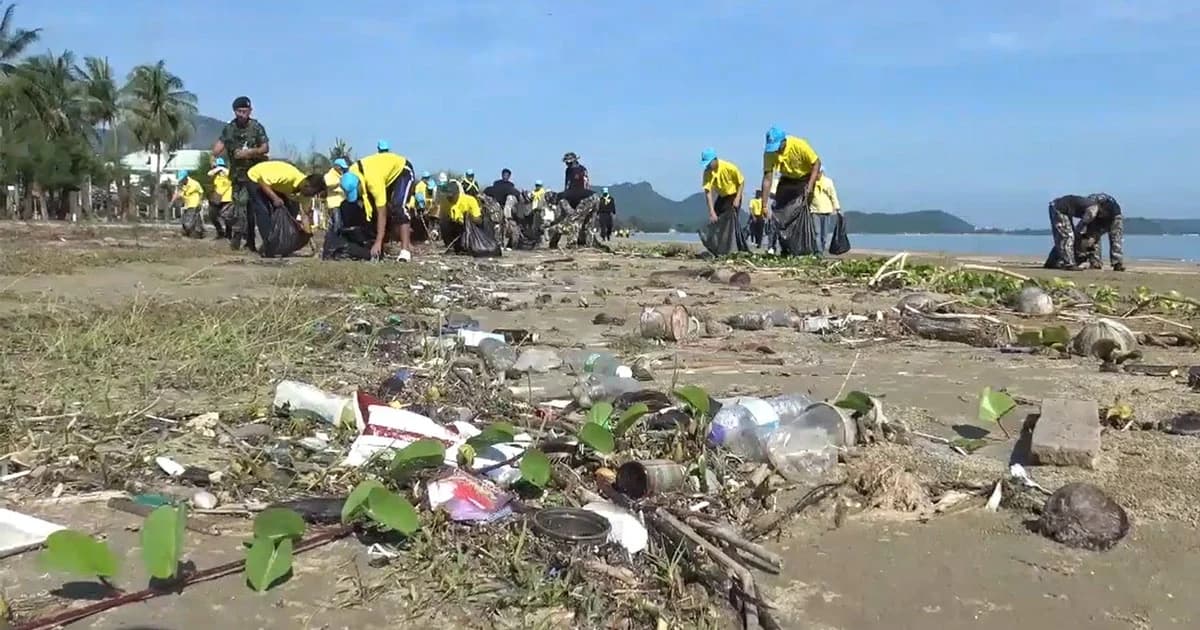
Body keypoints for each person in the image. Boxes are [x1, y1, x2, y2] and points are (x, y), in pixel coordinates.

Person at [212, 96, 269, 251]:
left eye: (245, 111)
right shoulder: (230, 128)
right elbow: (220, 144)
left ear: (250, 111)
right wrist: (214, 154)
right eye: (239, 111)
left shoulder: (256, 127)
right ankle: (241, 236)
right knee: (240, 206)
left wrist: (250, 152)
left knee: (252, 209)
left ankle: (250, 239)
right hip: (237, 176)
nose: (242, 114)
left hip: (254, 175)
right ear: (234, 111)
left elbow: (265, 148)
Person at [338, 151, 418, 261]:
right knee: (373, 211)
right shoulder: (351, 173)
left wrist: (378, 241)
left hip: (402, 171)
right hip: (385, 176)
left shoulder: (373, 181)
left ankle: (405, 250)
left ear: (359, 184)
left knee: (399, 207)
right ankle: (386, 244)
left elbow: (382, 212)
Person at [759, 126, 821, 255]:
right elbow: (767, 179)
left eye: (777, 147)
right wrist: (764, 205)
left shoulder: (799, 145)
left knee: (801, 212)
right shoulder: (769, 153)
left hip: (804, 178)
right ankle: (785, 247)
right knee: (779, 212)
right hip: (786, 179)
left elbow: (816, 163)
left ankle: (808, 247)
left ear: (783, 141)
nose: (776, 151)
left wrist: (809, 186)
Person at [246, 160, 325, 256]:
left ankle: (281, 243)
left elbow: (305, 216)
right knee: (263, 210)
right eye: (311, 193)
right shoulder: (288, 176)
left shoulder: (306, 193)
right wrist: (275, 198)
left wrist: (307, 236)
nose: (311, 196)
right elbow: (262, 182)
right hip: (256, 178)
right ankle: (269, 246)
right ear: (307, 185)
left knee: (290, 212)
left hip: (276, 186)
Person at [1047, 193, 1125, 271]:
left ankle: (1111, 262)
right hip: (1063, 209)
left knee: (1114, 237)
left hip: (1113, 215)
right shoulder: (1091, 207)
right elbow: (1081, 229)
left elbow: (1081, 228)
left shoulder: (1093, 209)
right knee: (1068, 237)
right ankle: (1094, 262)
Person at [700, 148, 744, 223]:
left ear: (715, 159)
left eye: (708, 164)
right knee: (715, 216)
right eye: (706, 165)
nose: (707, 167)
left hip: (733, 195)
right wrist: (711, 211)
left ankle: (732, 234)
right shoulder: (707, 172)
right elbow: (708, 192)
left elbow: (741, 182)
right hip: (722, 196)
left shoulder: (729, 167)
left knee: (730, 217)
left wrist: (737, 198)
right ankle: (715, 233)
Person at [437, 179, 483, 250]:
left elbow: (479, 221)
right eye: (447, 196)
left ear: (457, 193)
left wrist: (468, 217)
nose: (449, 198)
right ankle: (450, 245)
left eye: (451, 196)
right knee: (443, 222)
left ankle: (467, 245)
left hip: (468, 229)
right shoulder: (446, 203)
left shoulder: (470, 200)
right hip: (455, 229)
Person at [483, 168, 520, 247]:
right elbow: (487, 192)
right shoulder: (497, 184)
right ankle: (497, 243)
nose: (505, 176)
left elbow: (515, 195)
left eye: (507, 175)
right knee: (497, 225)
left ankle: (506, 244)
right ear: (502, 175)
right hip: (496, 207)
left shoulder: (510, 186)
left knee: (508, 225)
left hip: (506, 208)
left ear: (509, 176)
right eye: (504, 174)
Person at [809, 172, 841, 253]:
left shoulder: (828, 182)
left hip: (826, 211)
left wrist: (837, 208)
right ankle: (818, 252)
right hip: (814, 211)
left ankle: (822, 250)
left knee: (824, 235)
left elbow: (833, 195)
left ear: (821, 173)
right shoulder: (811, 182)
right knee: (817, 233)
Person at [173, 170, 205, 236]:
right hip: (187, 204)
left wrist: (200, 202)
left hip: (194, 203)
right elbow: (178, 194)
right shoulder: (181, 185)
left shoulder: (194, 183)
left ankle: (194, 232)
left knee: (190, 219)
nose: (181, 181)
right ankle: (197, 231)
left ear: (186, 177)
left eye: (182, 179)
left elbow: (201, 192)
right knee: (191, 218)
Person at [207, 158, 234, 239]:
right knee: (212, 215)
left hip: (227, 198)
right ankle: (220, 232)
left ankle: (228, 234)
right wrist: (216, 169)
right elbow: (209, 174)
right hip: (217, 198)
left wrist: (221, 168)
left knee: (227, 217)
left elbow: (228, 173)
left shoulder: (227, 172)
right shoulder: (216, 175)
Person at [322, 158, 350, 231]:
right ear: (336, 167)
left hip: (343, 202)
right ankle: (335, 238)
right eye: (341, 168)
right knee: (337, 223)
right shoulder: (329, 175)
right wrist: (340, 182)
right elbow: (328, 184)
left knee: (343, 223)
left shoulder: (341, 175)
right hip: (334, 204)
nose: (343, 169)